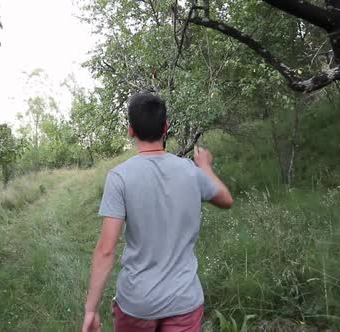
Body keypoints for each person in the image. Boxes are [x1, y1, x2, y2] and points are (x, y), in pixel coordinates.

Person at [82, 93, 233, 332]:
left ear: (131, 130)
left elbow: (106, 250)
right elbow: (226, 200)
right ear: (166, 127)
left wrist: (91, 309)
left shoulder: (119, 177)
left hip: (137, 303)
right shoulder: (191, 171)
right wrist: (204, 167)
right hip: (184, 301)